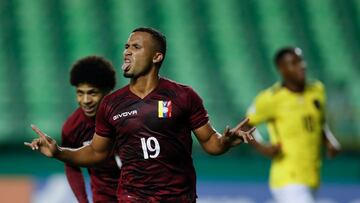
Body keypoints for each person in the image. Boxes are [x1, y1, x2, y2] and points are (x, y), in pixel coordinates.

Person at [25, 27, 255, 202]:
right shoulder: (112, 104)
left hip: (178, 197)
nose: (127, 52)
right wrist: (59, 152)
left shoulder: (183, 96)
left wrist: (226, 142)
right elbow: (96, 152)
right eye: (126, 46)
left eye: (135, 47)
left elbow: (210, 143)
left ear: (157, 57)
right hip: (132, 197)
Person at [246, 47, 341, 203]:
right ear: (281, 69)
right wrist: (262, 147)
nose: (301, 66)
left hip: (312, 174)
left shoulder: (316, 90)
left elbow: (320, 121)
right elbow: (245, 125)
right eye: (294, 63)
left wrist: (329, 139)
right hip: (288, 178)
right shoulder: (271, 99)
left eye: (301, 61)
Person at [61, 56, 120, 202]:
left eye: (92, 93)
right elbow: (71, 165)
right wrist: (83, 200)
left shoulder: (129, 116)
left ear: (107, 91)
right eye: (80, 93)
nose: (86, 100)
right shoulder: (72, 127)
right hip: (105, 197)